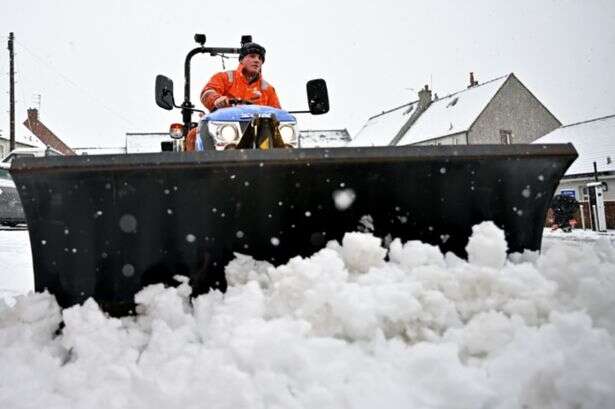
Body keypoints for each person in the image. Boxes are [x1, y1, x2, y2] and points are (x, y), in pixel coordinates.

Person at [185, 42, 281, 150]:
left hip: (261, 136)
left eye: (260, 58)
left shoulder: (267, 89)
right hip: (224, 131)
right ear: (241, 60)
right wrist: (217, 99)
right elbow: (207, 92)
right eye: (252, 56)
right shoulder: (225, 78)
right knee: (194, 134)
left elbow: (278, 114)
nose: (257, 60)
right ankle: (197, 164)